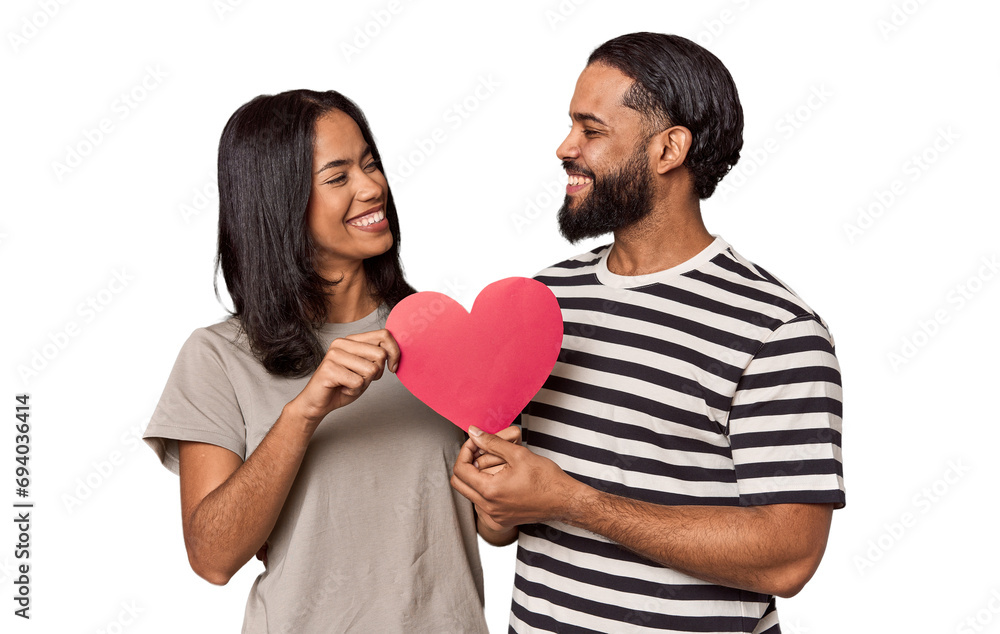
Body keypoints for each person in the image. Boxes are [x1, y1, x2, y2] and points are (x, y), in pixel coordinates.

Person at [451, 33, 845, 633]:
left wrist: (572, 500)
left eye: (591, 129)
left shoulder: (776, 330)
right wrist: (497, 497)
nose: (565, 148)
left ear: (669, 149)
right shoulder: (544, 301)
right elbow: (503, 528)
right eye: (570, 125)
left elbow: (787, 558)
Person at [143, 89, 493, 633]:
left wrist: (500, 477)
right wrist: (303, 413)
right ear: (279, 204)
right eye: (338, 177)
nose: (372, 187)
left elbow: (492, 530)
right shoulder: (217, 357)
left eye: (370, 164)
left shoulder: (440, 334)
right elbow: (212, 558)